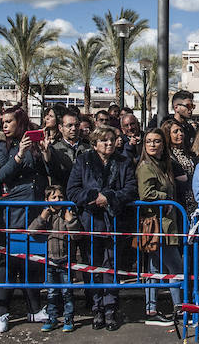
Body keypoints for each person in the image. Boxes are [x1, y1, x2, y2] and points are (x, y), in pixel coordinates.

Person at [0, 105, 56, 333]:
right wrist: (18, 154)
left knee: (32, 260)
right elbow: (2, 175)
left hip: (35, 207)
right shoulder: (0, 144)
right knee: (7, 261)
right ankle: (2, 312)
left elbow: (50, 170)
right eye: (3, 121)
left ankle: (35, 308)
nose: (5, 125)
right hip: (12, 209)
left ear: (21, 121)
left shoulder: (35, 138)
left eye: (9, 121)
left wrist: (46, 152)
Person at [66, 126, 138, 331]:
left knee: (111, 265)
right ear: (95, 143)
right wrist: (92, 197)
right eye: (104, 140)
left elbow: (131, 189)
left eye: (111, 140)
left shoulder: (123, 162)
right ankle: (96, 307)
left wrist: (111, 197)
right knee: (92, 265)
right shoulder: (83, 160)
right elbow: (72, 190)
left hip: (115, 222)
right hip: (91, 221)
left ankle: (110, 308)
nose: (108, 144)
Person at [135, 128, 184, 325]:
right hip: (158, 225)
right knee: (175, 267)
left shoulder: (163, 165)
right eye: (149, 141)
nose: (153, 145)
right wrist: (167, 199)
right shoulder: (146, 166)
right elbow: (146, 194)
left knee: (155, 268)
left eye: (157, 141)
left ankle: (151, 309)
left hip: (166, 223)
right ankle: (179, 308)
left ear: (163, 145)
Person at [28, 185, 83, 333]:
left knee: (67, 292)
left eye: (60, 197)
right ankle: (52, 318)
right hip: (50, 260)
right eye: (54, 197)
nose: (58, 200)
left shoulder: (68, 212)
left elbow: (76, 235)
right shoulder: (47, 215)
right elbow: (31, 231)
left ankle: (68, 318)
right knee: (52, 292)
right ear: (47, 200)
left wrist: (70, 221)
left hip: (66, 259)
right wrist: (42, 217)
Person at [161, 118, 197, 214]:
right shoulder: (166, 156)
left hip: (193, 199)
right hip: (179, 200)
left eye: (181, 131)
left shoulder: (190, 154)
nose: (180, 134)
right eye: (175, 132)